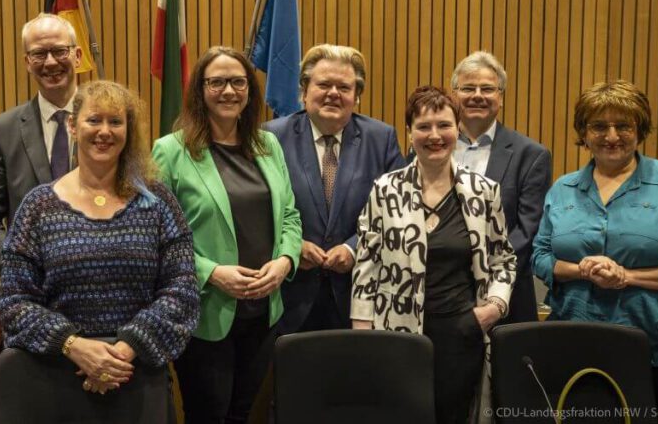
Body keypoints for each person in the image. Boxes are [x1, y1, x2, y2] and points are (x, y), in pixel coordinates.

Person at [0, 81, 198, 422]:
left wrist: (124, 350)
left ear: (128, 130)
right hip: (54, 377)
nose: (104, 131)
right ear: (72, 126)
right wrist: (74, 346)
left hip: (136, 374)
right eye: (94, 120)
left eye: (115, 122)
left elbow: (182, 290)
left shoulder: (158, 201)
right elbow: (14, 301)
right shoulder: (39, 206)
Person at [532, 80, 658, 424]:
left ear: (640, 128)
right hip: (578, 348)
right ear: (583, 131)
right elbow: (539, 255)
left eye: (623, 125)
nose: (611, 136)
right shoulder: (563, 189)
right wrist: (583, 270)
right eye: (599, 126)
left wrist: (628, 276)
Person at [152, 46, 303, 424]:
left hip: (263, 311)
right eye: (216, 82)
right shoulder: (171, 152)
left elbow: (289, 216)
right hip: (205, 314)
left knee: (241, 413)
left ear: (250, 90)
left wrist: (285, 262)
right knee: (208, 416)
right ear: (200, 91)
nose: (228, 91)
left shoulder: (267, 145)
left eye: (237, 82)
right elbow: (155, 235)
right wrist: (211, 272)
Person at [351, 85, 516, 424]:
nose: (435, 135)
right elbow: (366, 263)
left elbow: (503, 259)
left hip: (461, 333)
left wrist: (492, 309)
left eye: (444, 125)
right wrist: (362, 329)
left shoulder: (483, 192)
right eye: (423, 126)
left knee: (453, 415)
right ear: (409, 132)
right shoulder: (385, 189)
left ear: (458, 128)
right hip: (396, 333)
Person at [264, 44, 405, 333]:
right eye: (324, 84)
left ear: (357, 96)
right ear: (304, 91)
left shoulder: (382, 138)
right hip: (290, 296)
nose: (333, 93)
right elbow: (258, 209)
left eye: (344, 86)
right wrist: (291, 248)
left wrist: (353, 248)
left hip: (359, 295)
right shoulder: (271, 137)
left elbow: (399, 211)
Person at [0, 13, 82, 272]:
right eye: (39, 54)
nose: (50, 62)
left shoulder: (108, 122)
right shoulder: (3, 131)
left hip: (98, 282)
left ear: (78, 56)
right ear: (27, 62)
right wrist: (19, 266)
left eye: (59, 51)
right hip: (31, 289)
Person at [450, 51, 551, 323]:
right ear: (454, 95)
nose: (477, 95)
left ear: (501, 97)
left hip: (505, 295)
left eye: (488, 88)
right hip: (442, 291)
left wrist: (484, 270)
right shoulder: (430, 147)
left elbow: (527, 230)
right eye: (468, 88)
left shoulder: (530, 155)